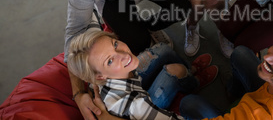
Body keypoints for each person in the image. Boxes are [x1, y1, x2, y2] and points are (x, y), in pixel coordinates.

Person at [68, 28, 218, 120]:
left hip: (131, 81)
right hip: (141, 106)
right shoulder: (137, 107)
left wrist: (79, 94)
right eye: (110, 61)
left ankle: (189, 72)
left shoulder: (99, 72)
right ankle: (194, 83)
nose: (124, 54)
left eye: (115, 44)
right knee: (176, 73)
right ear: (99, 77)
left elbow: (72, 54)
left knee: (162, 49)